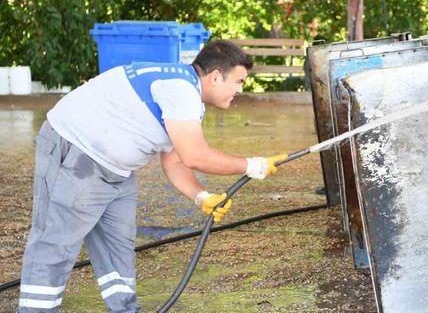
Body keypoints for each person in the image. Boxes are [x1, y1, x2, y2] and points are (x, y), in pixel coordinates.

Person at [18, 40, 287, 312]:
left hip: (117, 170)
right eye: (239, 81)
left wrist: (201, 196)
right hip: (78, 154)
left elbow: (176, 160)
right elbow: (195, 155)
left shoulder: (187, 94)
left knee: (118, 250)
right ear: (216, 76)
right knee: (56, 246)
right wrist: (253, 165)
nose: (240, 90)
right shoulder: (180, 90)